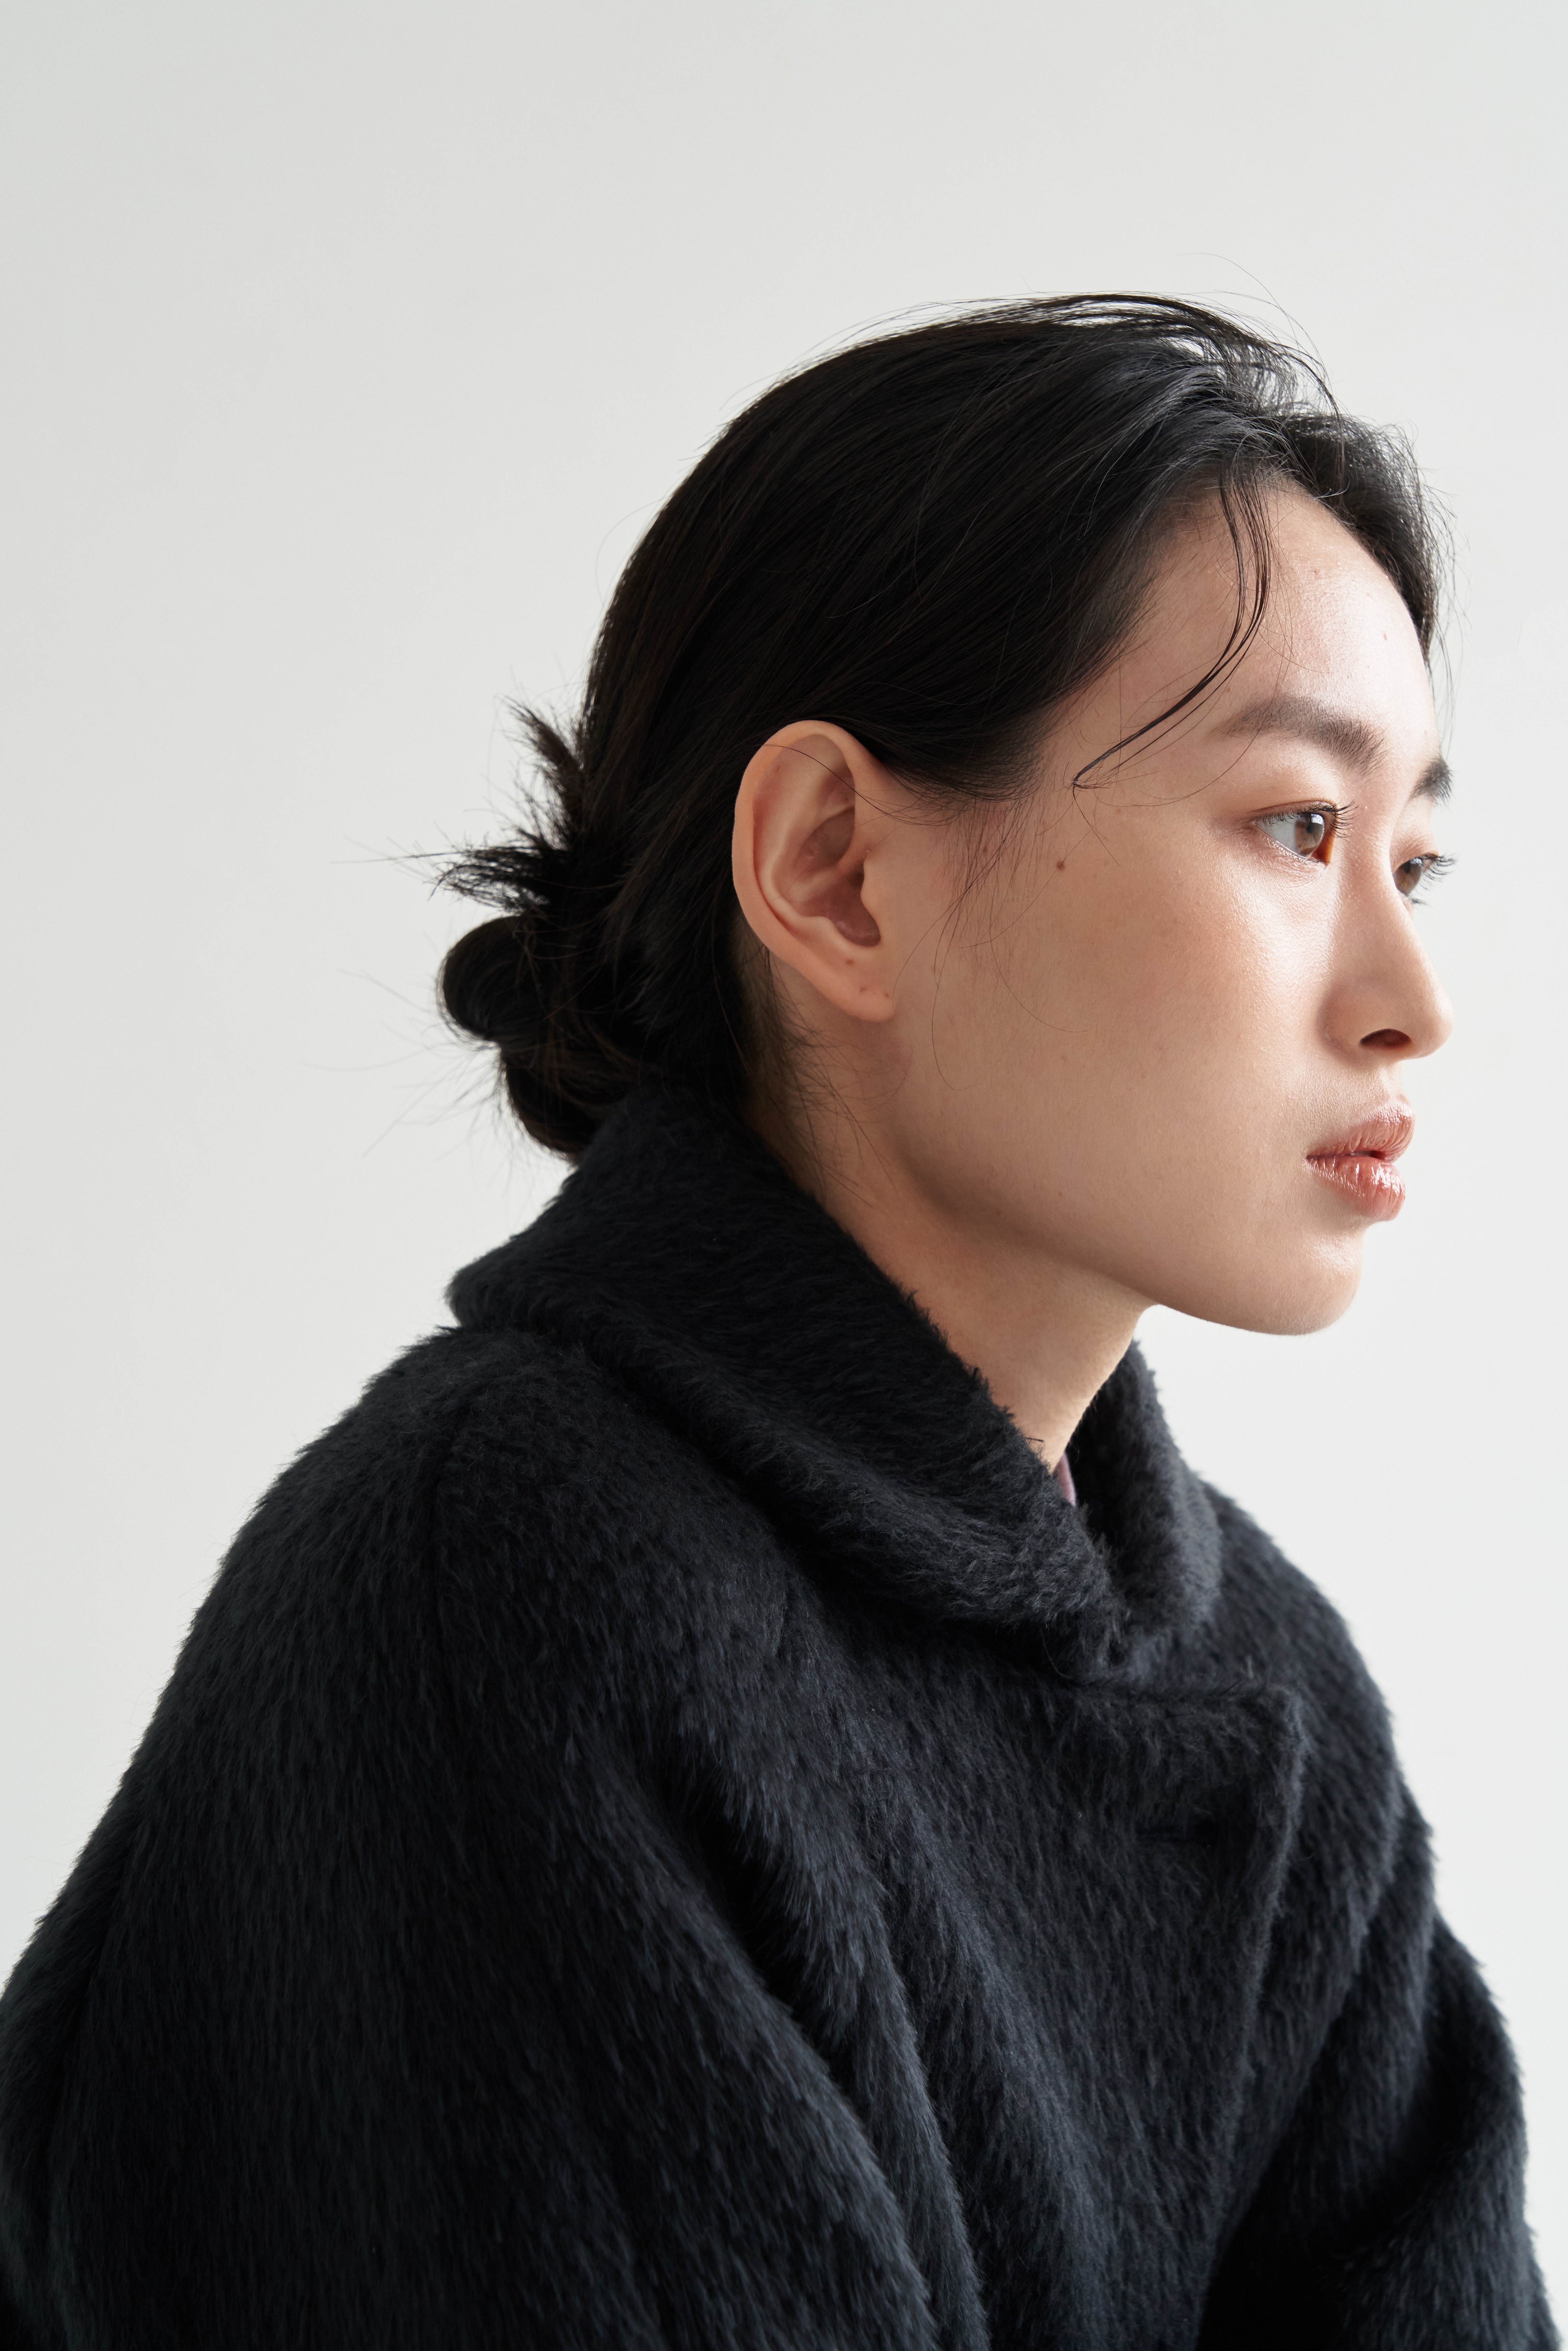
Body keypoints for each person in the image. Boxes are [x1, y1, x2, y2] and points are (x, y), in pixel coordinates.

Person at [0, 298, 1553, 2349]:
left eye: (1413, 861)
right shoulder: (506, 1582)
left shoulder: (1264, 1690)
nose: (1411, 1000)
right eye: (1296, 827)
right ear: (834, 873)